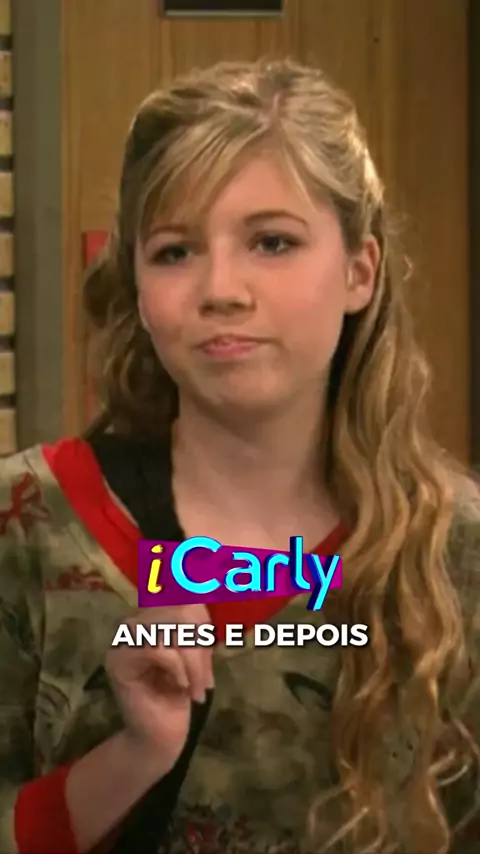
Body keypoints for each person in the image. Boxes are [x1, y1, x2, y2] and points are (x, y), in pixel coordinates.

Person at [0, 57, 479, 854]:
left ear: (359, 271)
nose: (222, 288)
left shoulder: (454, 553)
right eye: (175, 252)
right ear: (138, 287)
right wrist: (134, 757)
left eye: (272, 242)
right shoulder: (26, 524)